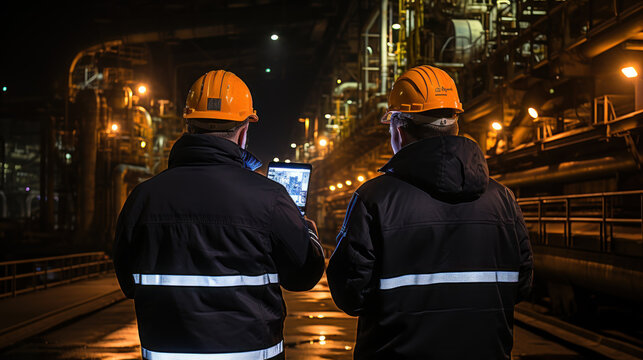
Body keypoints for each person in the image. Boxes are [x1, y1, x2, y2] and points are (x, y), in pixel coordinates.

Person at [113, 70, 325, 360]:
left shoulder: (143, 198)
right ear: (243, 131)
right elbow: (303, 276)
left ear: (187, 126)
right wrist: (308, 232)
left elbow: (129, 284)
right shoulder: (270, 197)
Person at [326, 65, 533, 359]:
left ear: (399, 130)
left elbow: (350, 295)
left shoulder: (374, 199)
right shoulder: (503, 198)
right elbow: (521, 286)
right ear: (455, 123)